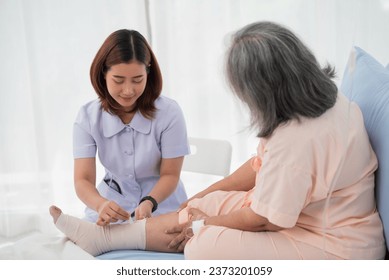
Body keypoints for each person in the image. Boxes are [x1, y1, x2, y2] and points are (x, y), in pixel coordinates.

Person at [50, 21, 386, 259]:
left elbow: (264, 218)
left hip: (334, 242)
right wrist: (206, 197)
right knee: (201, 206)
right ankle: (102, 239)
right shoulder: (320, 100)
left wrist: (202, 224)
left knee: (202, 244)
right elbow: (260, 167)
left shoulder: (296, 141)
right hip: (304, 209)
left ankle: (108, 239)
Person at [73, 29, 190, 225]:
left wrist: (150, 202)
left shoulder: (169, 112)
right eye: (118, 80)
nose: (128, 90)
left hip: (161, 205)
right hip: (110, 206)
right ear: (103, 73)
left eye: (137, 80)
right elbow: (82, 180)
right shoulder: (87, 117)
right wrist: (100, 204)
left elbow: (170, 174)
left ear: (148, 72)